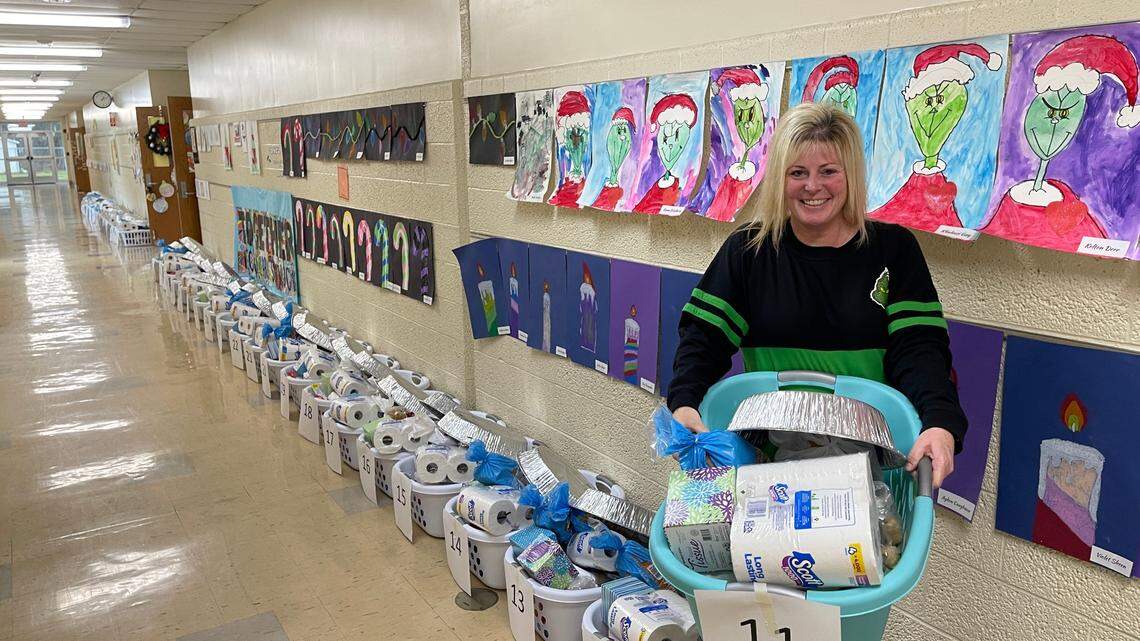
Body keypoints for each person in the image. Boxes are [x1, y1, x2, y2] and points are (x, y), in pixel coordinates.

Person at [667, 103, 966, 487]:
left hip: (873, 465)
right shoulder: (749, 251)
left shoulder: (894, 250)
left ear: (850, 175)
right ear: (780, 178)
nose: (812, 186)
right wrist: (685, 402)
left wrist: (940, 421)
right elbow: (703, 339)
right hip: (771, 461)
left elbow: (920, 349)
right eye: (797, 173)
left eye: (828, 171)